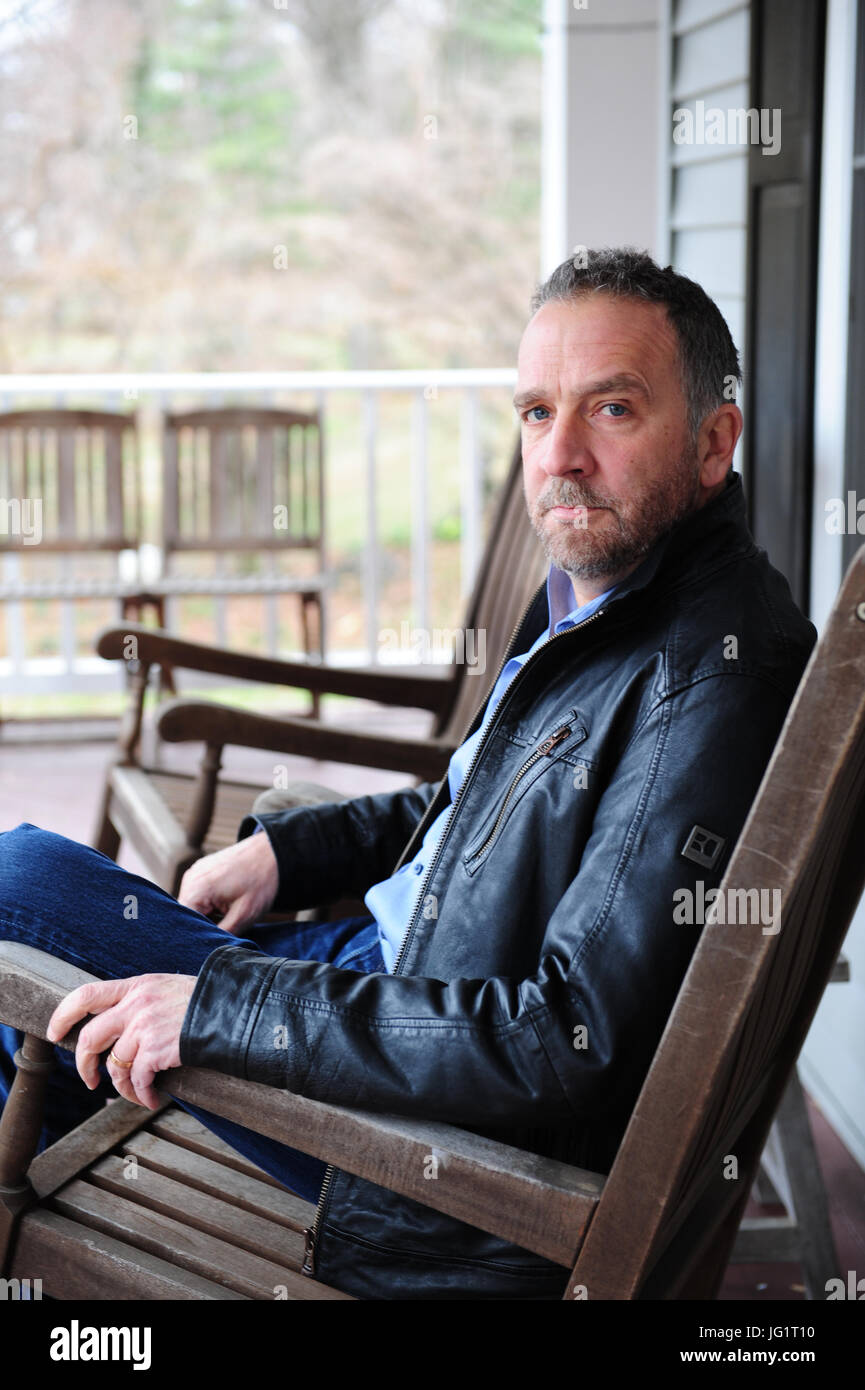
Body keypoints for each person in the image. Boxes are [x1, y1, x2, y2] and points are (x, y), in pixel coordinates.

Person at [0, 248, 817, 1300]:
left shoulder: (700, 679)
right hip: (399, 989)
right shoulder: (607, 596)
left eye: (611, 409)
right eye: (534, 412)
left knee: (24, 888)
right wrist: (294, 851)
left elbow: (562, 1039)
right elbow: (486, 806)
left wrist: (218, 1007)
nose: (558, 455)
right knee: (58, 992)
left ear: (713, 443)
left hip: (434, 1149)